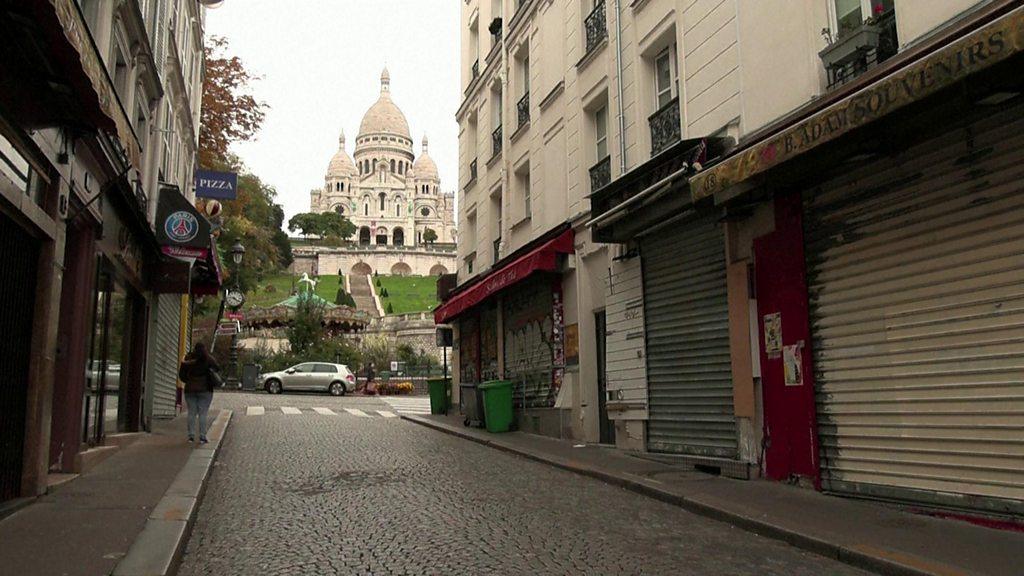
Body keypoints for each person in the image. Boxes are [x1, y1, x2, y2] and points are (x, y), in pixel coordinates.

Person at [179, 342, 219, 444]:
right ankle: (202, 437)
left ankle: (191, 437)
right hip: (205, 389)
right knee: (203, 413)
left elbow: (181, 375)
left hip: (190, 389)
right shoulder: (208, 359)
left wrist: (189, 381)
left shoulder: (188, 359)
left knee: (191, 413)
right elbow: (217, 368)